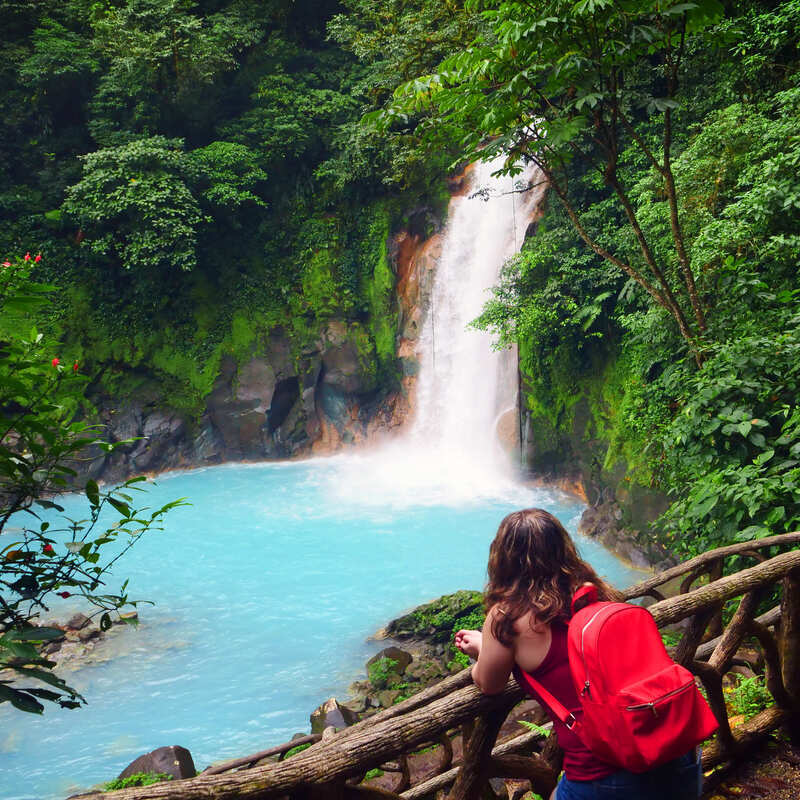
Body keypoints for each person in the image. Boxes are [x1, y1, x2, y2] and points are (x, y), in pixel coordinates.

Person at [454, 508, 702, 800]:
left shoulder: (507, 617)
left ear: (503, 558)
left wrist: (484, 649)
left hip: (610, 770)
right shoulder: (596, 591)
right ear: (563, 546)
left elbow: (489, 682)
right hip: (675, 748)